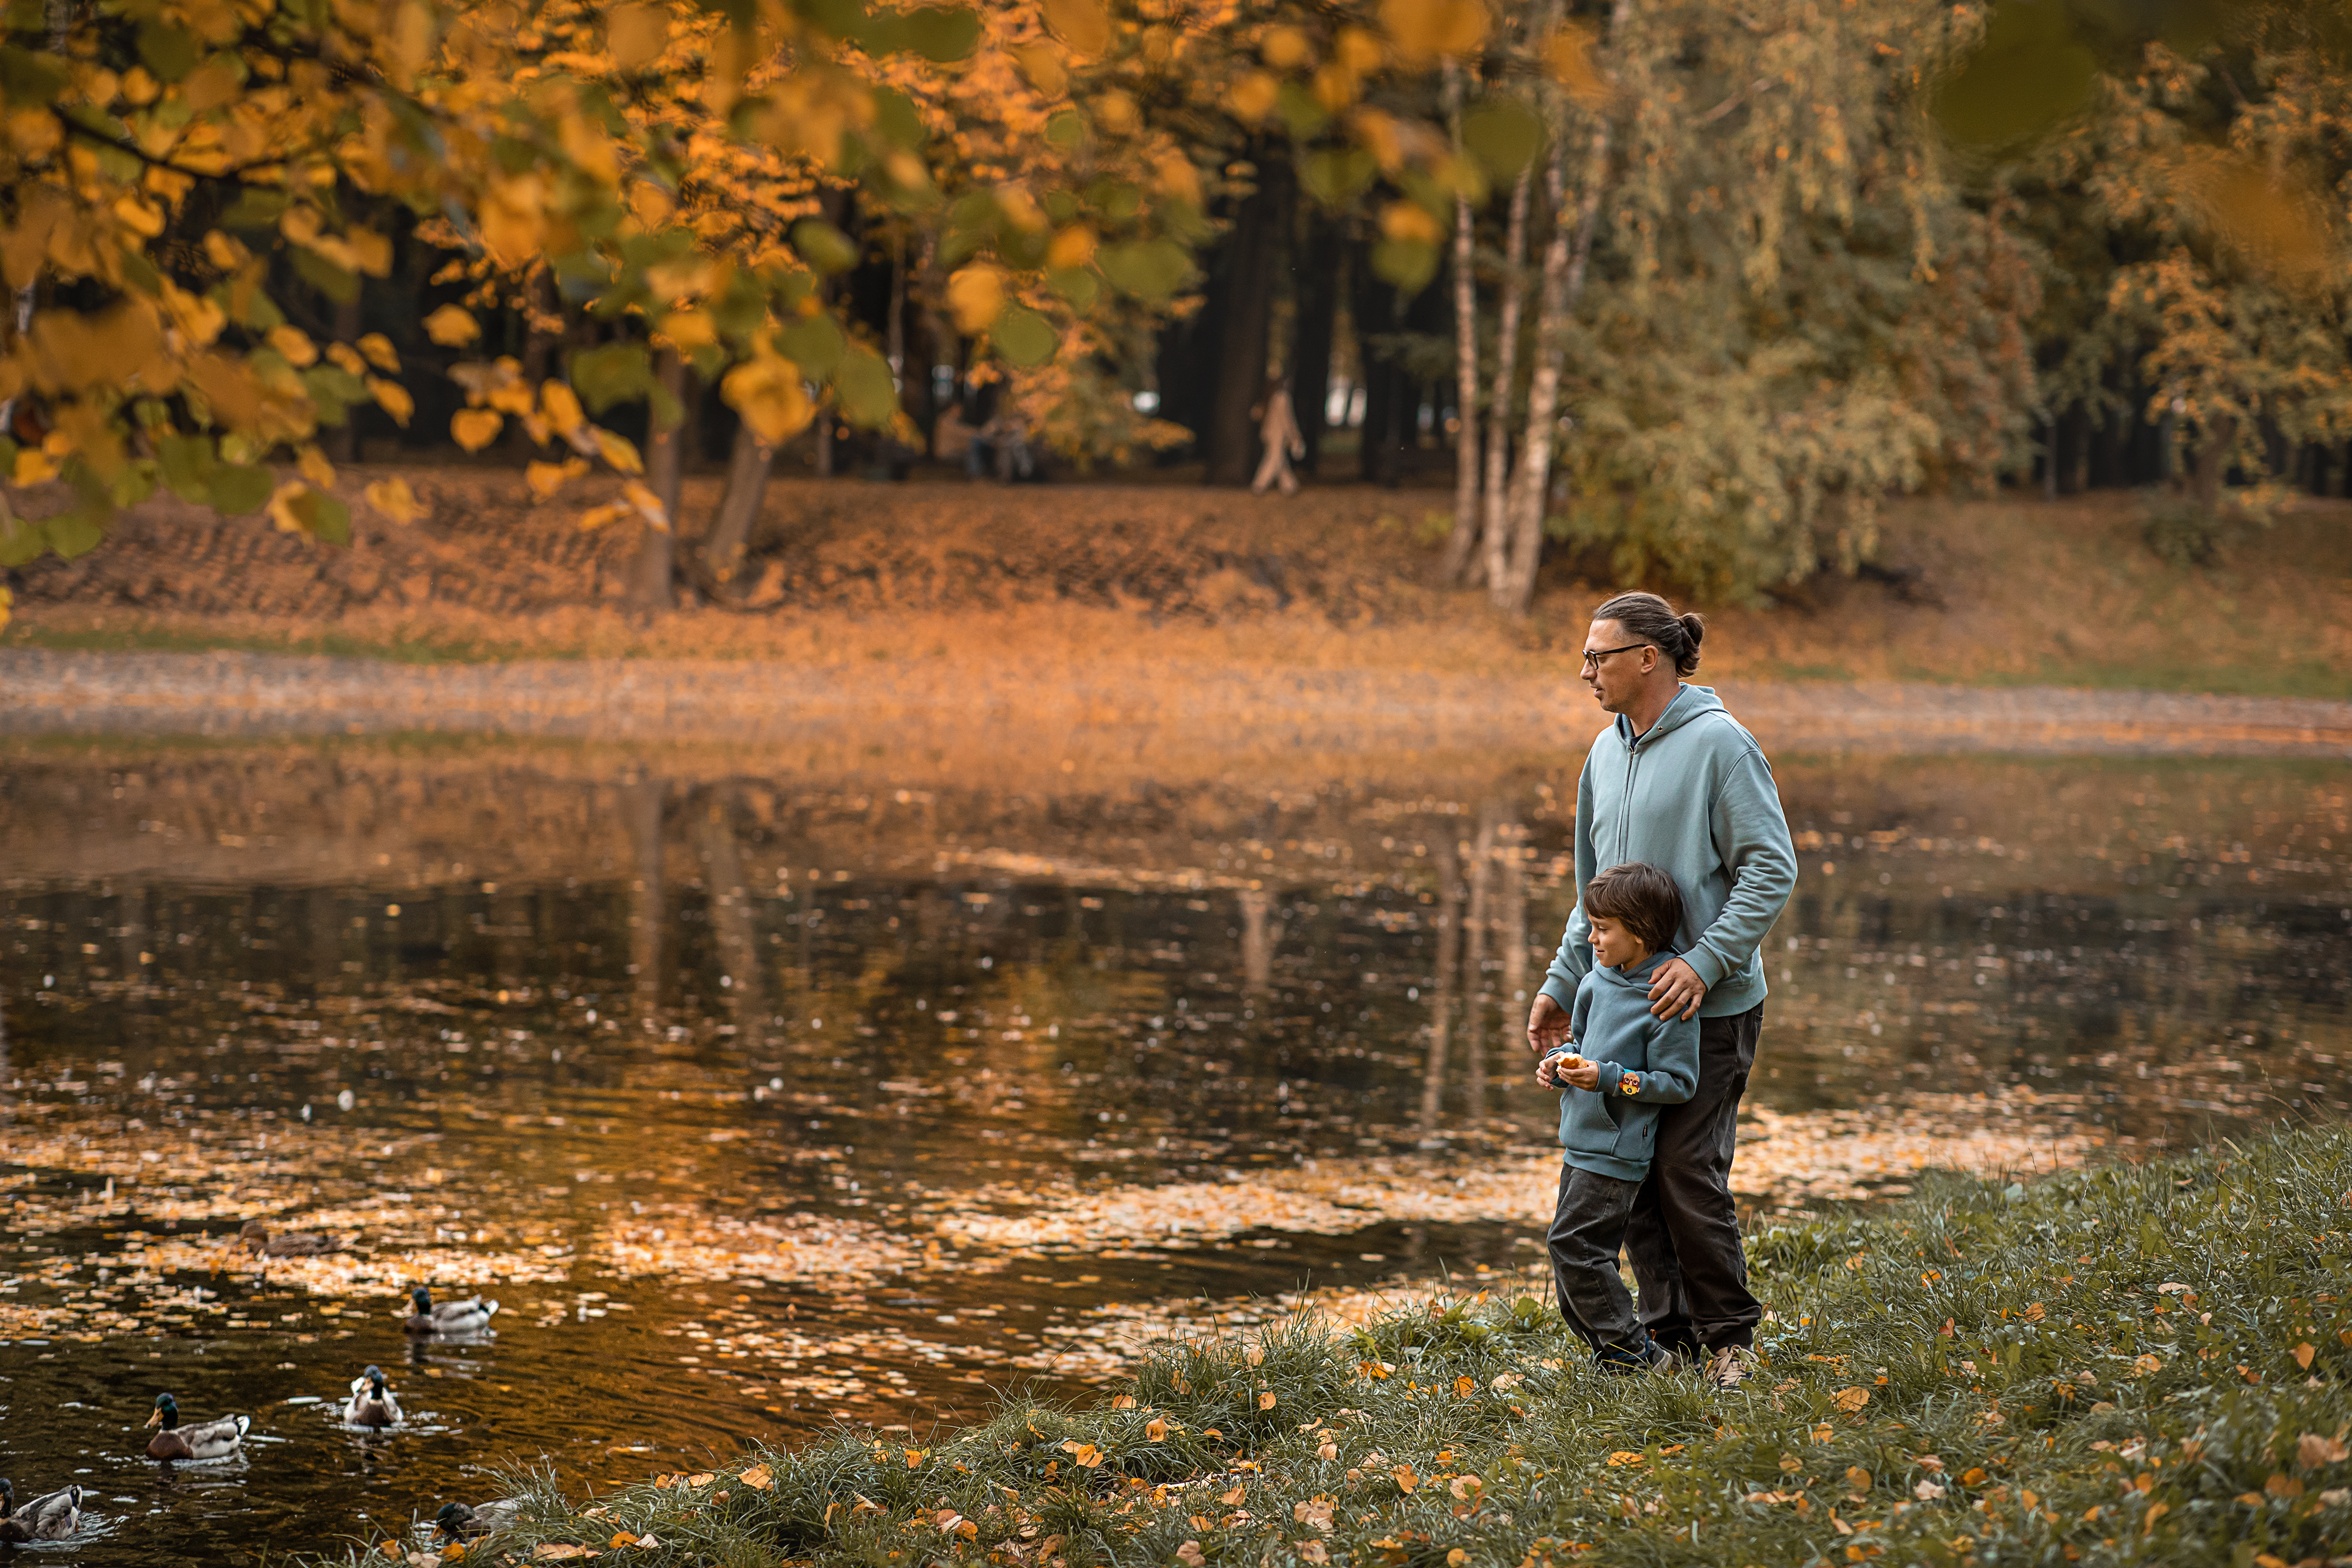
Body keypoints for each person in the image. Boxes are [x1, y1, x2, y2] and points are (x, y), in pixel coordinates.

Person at [1526, 590, 1798, 1389]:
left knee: (1687, 1172)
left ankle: (1729, 1339)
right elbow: (1592, 894)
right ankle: (1665, 1335)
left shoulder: (1722, 745)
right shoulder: (1603, 754)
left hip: (1709, 1007)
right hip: (1618, 1008)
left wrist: (1705, 959)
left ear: (1649, 655)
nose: (1585, 672)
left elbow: (1771, 867)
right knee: (1636, 1178)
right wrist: (1561, 980)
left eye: (1597, 656)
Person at [1535, 862, 1699, 1372]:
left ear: (1642, 931)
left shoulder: (1665, 997)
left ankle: (1640, 1355)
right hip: (1580, 1140)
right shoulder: (1595, 981)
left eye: (1603, 928)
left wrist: (1606, 1077)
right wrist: (1561, 1064)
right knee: (1573, 1262)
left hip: (1618, 1149)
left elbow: (1678, 1083)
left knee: (1574, 1247)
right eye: (1592, 924)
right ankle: (1615, 1359)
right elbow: (1584, 1045)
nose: (1592, 936)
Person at [1250, 382, 1304, 495]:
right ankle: (1259, 485)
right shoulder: (1282, 397)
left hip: (1267, 433)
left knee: (1280, 461)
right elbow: (1287, 419)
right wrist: (1294, 435)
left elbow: (1256, 413)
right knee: (1273, 459)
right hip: (1278, 435)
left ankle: (1289, 486)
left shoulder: (1270, 397)